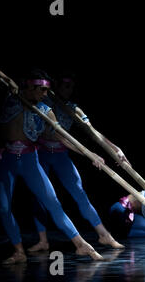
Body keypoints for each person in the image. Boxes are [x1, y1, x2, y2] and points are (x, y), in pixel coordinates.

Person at [0, 64, 104, 263]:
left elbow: (63, 138)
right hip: (7, 160)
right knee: (3, 208)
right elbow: (0, 74)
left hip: (30, 161)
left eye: (47, 90)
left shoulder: (45, 110)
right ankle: (19, 252)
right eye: (43, 90)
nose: (46, 94)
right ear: (30, 87)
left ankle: (81, 244)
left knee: (53, 204)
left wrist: (89, 153)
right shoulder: (12, 96)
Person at [28, 73, 125, 252]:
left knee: (80, 194)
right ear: (56, 86)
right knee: (40, 197)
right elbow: (58, 135)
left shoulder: (73, 109)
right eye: (65, 85)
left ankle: (104, 234)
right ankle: (43, 240)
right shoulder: (43, 104)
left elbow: (93, 133)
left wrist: (115, 148)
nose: (68, 90)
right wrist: (89, 154)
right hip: (41, 153)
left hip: (60, 155)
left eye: (71, 86)